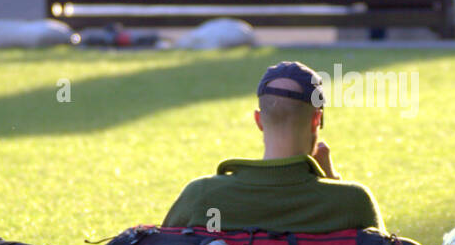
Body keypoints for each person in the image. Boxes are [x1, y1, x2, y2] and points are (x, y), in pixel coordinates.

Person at [162, 61, 386, 233]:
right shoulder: (352, 203)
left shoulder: (202, 195)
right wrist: (331, 181)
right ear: (316, 120)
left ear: (258, 120)